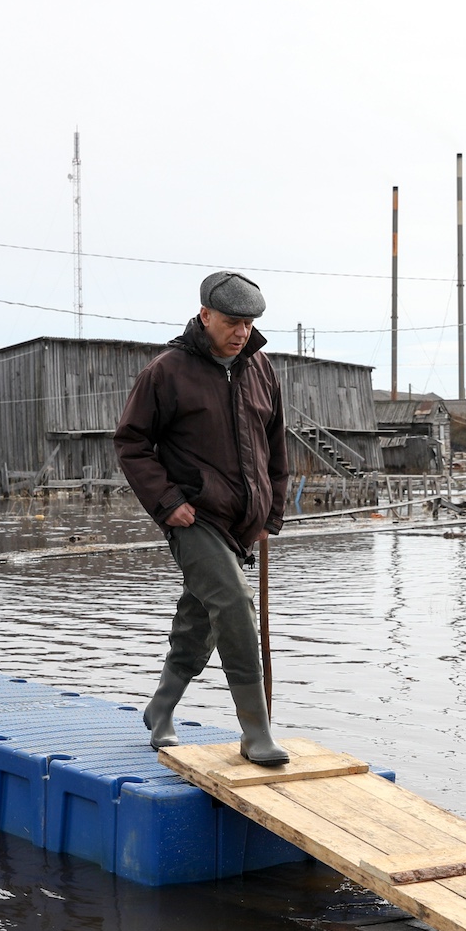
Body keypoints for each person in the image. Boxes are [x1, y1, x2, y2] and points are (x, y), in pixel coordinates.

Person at [115, 270, 291, 765]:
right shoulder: (166, 371)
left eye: (249, 323)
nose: (242, 332)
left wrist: (268, 517)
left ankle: (161, 708)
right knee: (235, 605)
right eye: (233, 322)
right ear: (205, 315)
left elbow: (275, 447)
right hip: (193, 519)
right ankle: (256, 733)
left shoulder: (262, 369)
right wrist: (168, 502)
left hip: (242, 523)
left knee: (200, 619)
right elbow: (131, 443)